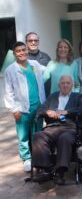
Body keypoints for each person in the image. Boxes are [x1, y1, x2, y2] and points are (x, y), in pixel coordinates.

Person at [31, 75, 82, 185]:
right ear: (59, 85)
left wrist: (67, 112)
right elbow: (40, 110)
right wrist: (47, 112)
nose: (65, 85)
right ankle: (45, 170)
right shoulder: (52, 97)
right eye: (63, 83)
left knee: (64, 138)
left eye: (68, 83)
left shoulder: (78, 97)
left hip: (70, 127)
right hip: (53, 127)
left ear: (72, 85)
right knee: (38, 136)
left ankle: (60, 171)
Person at [4, 41, 46, 172]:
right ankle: (26, 158)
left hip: (38, 106)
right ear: (15, 53)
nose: (22, 53)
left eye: (24, 50)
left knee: (37, 132)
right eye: (18, 51)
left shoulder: (35, 64)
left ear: (27, 51)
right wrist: (13, 109)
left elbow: (50, 71)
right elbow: (8, 92)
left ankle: (37, 154)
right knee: (22, 135)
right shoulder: (10, 70)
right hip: (22, 109)